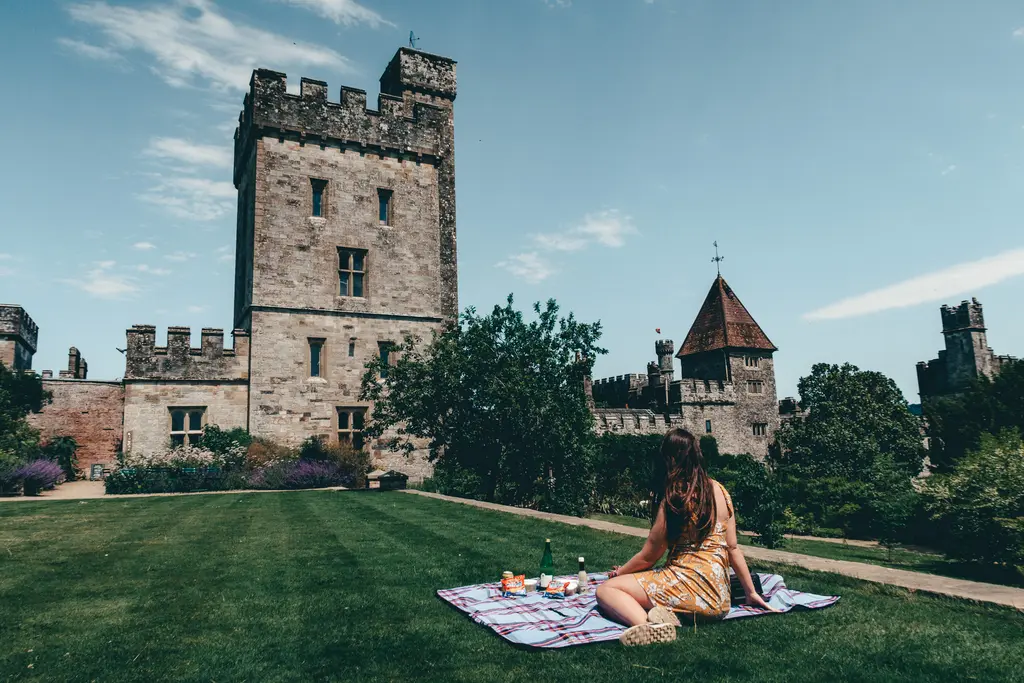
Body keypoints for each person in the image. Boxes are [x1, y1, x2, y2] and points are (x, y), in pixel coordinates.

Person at [595, 428, 778, 646]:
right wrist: (751, 592)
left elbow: (649, 556)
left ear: (670, 458)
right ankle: (669, 615)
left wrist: (619, 573)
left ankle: (648, 626)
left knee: (607, 590)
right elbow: (733, 548)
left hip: (686, 586)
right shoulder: (720, 490)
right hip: (719, 601)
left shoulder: (677, 495)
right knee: (652, 583)